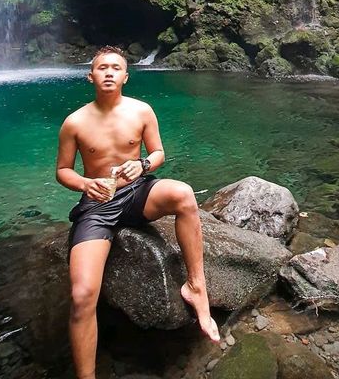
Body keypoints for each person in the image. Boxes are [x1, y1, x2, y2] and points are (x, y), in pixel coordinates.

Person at [56, 45, 220, 379]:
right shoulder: (74, 122)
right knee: (82, 294)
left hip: (137, 192)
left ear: (126, 76)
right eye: (102, 68)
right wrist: (86, 184)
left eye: (116, 67)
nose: (109, 73)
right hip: (98, 205)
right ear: (90, 75)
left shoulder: (142, 111)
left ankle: (196, 287)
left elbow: (158, 152)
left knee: (184, 195)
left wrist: (142, 164)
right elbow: (63, 171)